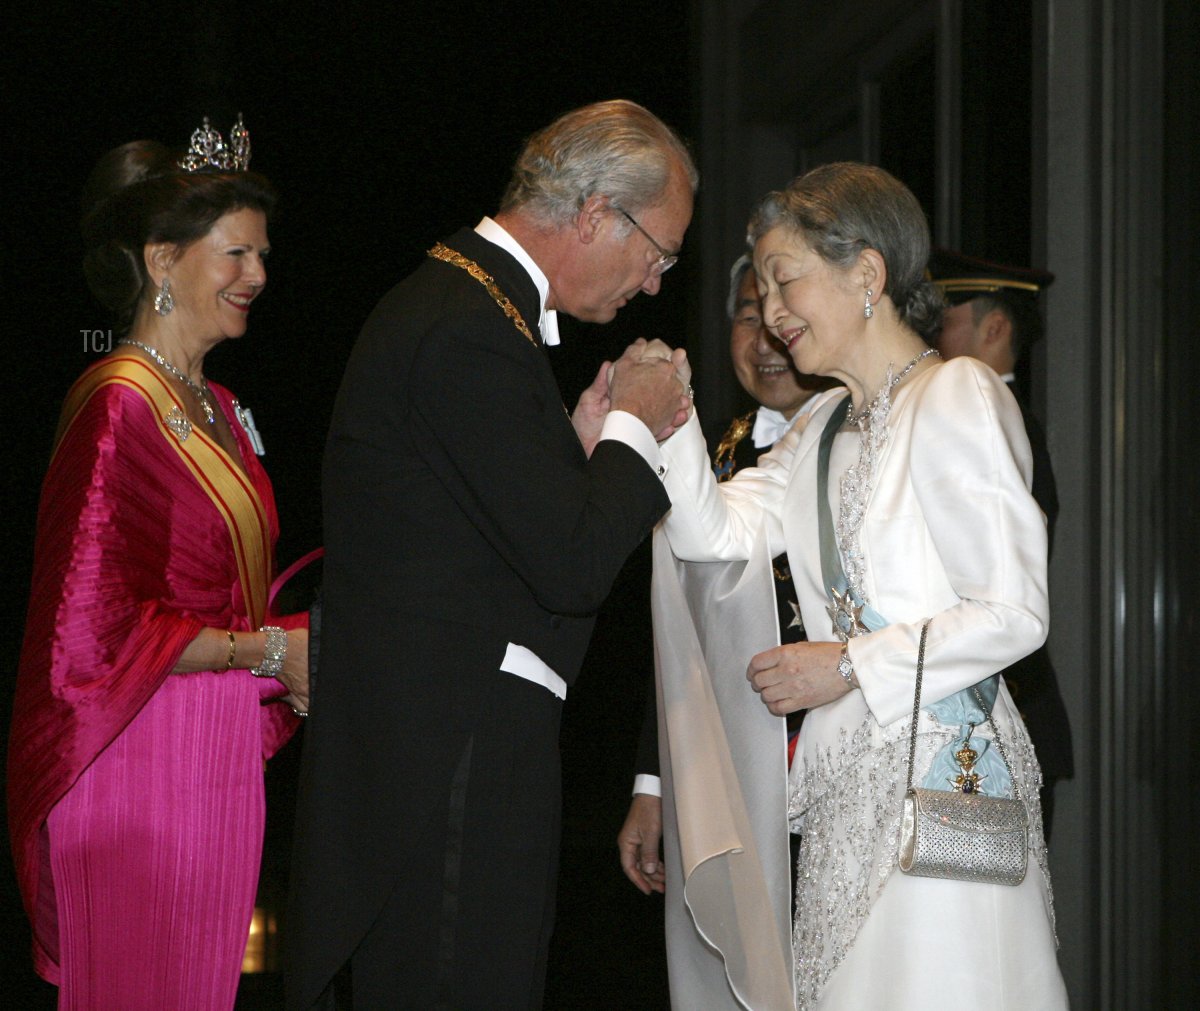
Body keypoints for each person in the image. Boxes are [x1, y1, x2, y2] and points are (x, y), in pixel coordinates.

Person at [286, 99, 697, 1010]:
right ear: (595, 215)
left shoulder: (467, 306)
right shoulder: (467, 322)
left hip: (450, 753)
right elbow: (573, 563)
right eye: (658, 252)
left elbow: (474, 529)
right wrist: (632, 422)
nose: (657, 283)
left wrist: (580, 448)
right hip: (449, 761)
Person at [657, 163, 1067, 1008]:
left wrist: (843, 665)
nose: (770, 311)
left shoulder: (959, 393)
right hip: (847, 803)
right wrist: (664, 422)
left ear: (867, 274)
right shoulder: (819, 425)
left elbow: (1014, 613)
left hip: (942, 790)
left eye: (785, 278)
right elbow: (713, 533)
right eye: (761, 286)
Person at [7, 116, 310, 1011]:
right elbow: (91, 628)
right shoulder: (118, 406)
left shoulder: (212, 402)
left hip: (208, 756)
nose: (257, 276)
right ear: (162, 259)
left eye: (261, 254)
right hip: (136, 764)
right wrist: (266, 653)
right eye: (234, 254)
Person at [618, 253, 831, 896]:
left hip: (840, 753)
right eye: (748, 315)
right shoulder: (707, 453)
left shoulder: (862, 440)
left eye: (781, 313)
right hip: (726, 768)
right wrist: (652, 783)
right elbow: (676, 627)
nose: (767, 337)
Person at [928, 248, 1073, 840]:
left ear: (995, 327)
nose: (932, 334)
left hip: (995, 712)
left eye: (947, 319)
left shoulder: (998, 420)